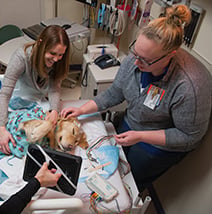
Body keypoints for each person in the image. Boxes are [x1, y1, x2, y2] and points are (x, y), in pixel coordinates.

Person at [61, 4, 212, 192]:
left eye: (145, 60)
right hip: (132, 125)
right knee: (111, 167)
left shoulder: (191, 85)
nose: (136, 62)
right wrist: (82, 109)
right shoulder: (137, 58)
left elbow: (189, 136)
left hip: (158, 147)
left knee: (128, 185)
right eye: (135, 53)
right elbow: (115, 92)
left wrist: (141, 136)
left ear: (170, 55)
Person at [0, 25, 70, 154]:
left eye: (60, 55)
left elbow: (54, 89)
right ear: (41, 44)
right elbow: (5, 94)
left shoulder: (58, 62)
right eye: (52, 53)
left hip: (41, 101)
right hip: (23, 98)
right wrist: (1, 127)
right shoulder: (21, 57)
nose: (56, 59)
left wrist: (54, 110)